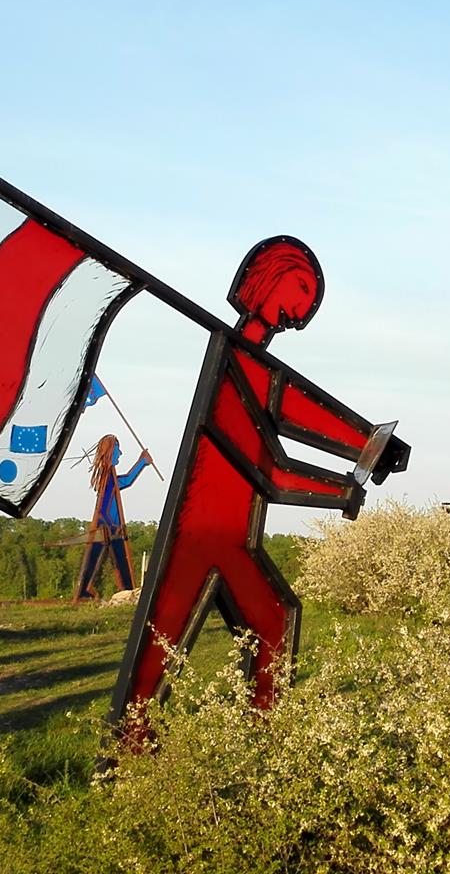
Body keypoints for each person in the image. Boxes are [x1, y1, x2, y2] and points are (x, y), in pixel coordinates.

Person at [109, 235, 408, 724]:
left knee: (274, 619)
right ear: (268, 282)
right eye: (301, 290)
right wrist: (340, 491)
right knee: (159, 649)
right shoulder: (231, 366)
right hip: (201, 534)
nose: (301, 311)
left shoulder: (254, 365)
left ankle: (264, 729)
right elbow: (268, 468)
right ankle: (130, 746)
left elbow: (298, 407)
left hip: (231, 537)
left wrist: (370, 442)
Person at [73, 434, 151, 602]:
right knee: (112, 559)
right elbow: (108, 500)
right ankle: (124, 591)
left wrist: (142, 462)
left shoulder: (109, 475)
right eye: (117, 449)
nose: (120, 453)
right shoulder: (107, 476)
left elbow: (123, 482)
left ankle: (124, 590)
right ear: (109, 451)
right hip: (108, 527)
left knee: (111, 559)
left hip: (109, 527)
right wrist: (142, 462)